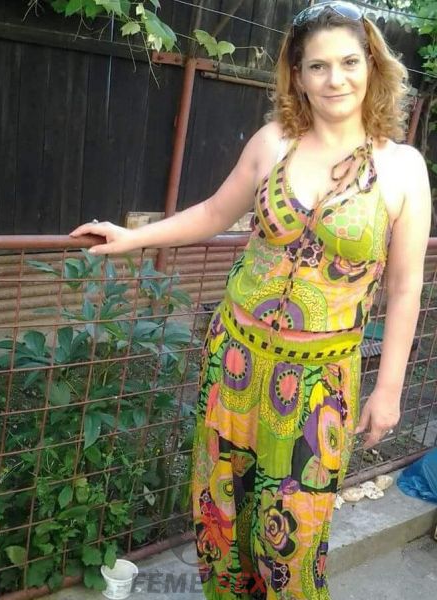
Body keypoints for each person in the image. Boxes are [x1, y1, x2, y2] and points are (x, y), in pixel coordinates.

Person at [70, 2, 431, 597]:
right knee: (222, 523)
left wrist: (388, 389)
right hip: (234, 362)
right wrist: (132, 238)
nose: (335, 79)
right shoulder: (273, 143)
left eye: (348, 62)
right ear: (298, 75)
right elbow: (215, 212)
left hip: (318, 385)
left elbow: (405, 285)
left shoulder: (404, 169)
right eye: (317, 66)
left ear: (372, 65)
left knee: (292, 544)